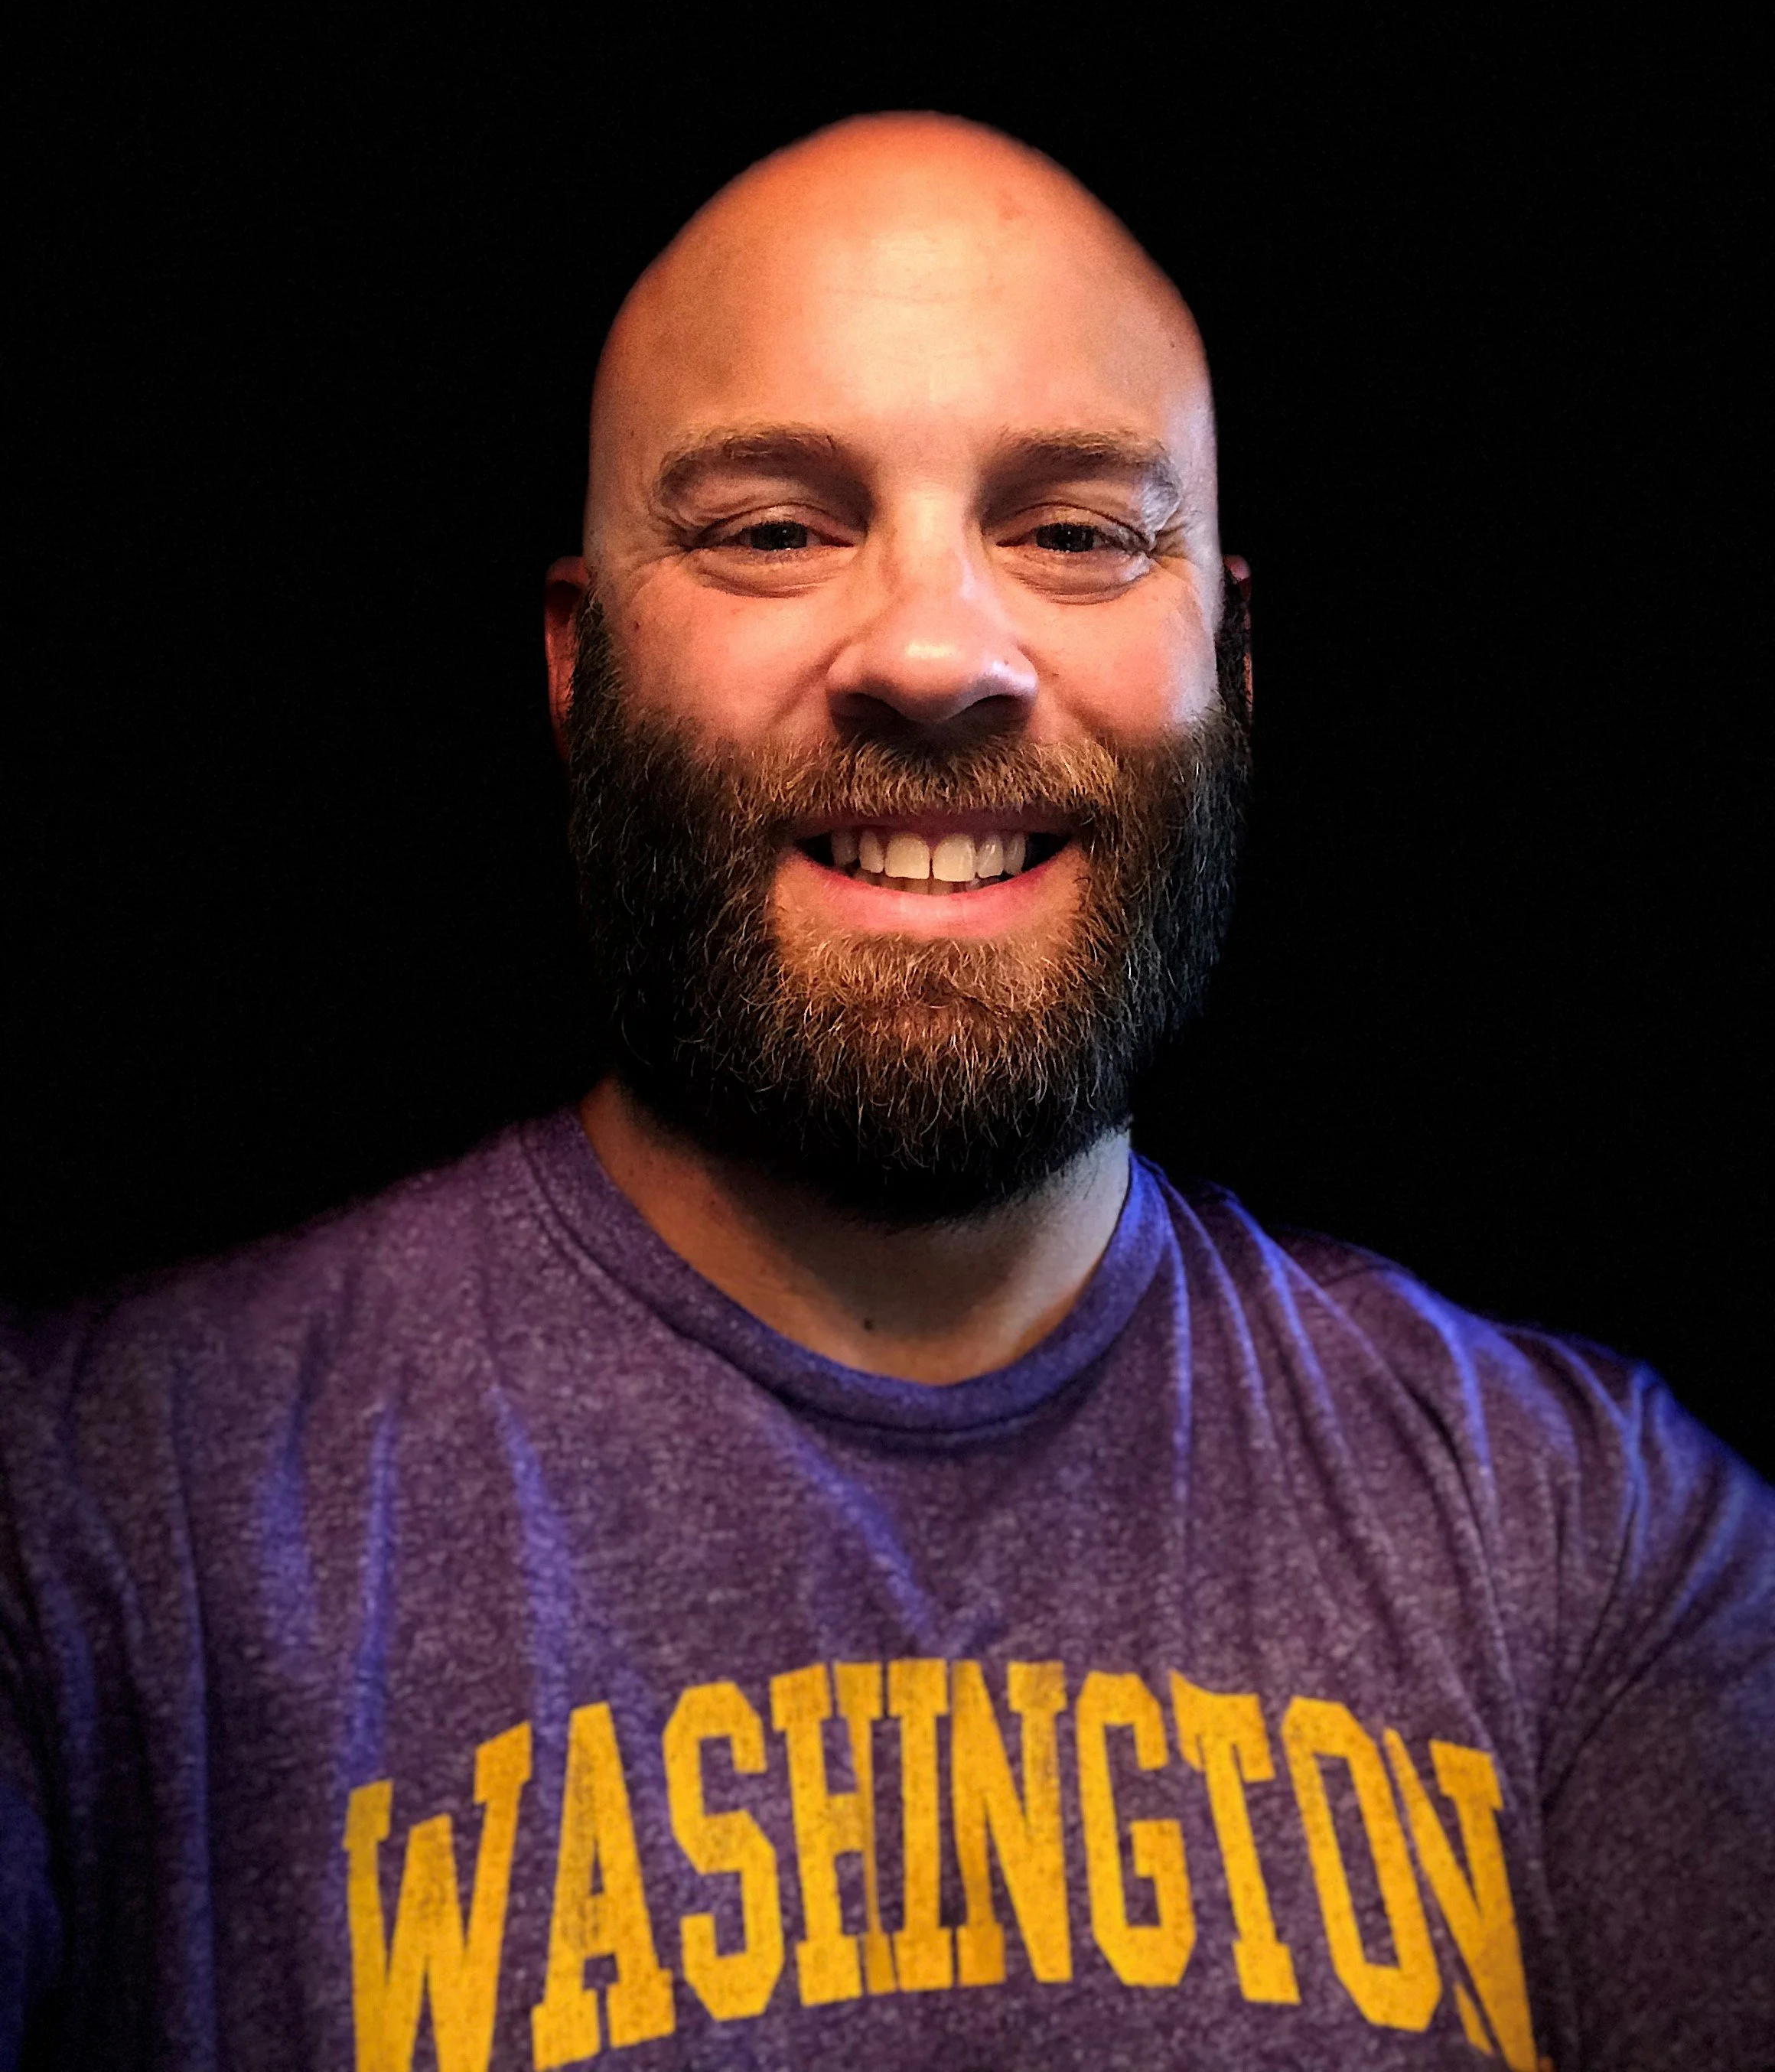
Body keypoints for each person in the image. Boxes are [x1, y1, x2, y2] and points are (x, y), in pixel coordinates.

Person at [2, 114, 1770, 2072]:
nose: (935, 653)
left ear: (1233, 659)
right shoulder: (89, 1518)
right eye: (773, 528)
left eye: (1075, 532)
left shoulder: (1596, 1536)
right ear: (580, 667)